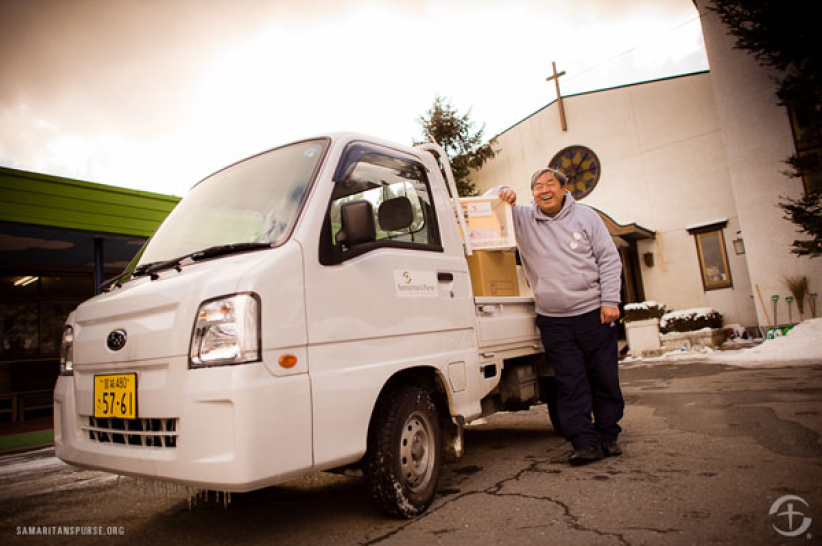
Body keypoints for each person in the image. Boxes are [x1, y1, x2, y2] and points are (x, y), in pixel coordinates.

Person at [498, 167, 625, 466]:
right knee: (570, 382)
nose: (544, 189)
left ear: (564, 189)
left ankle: (608, 435)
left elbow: (608, 259)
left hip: (594, 313)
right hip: (553, 319)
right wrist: (503, 192)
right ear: (532, 194)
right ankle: (584, 442)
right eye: (538, 186)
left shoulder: (586, 216)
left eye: (550, 183)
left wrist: (610, 300)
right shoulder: (522, 218)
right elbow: (491, 203)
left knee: (604, 377)